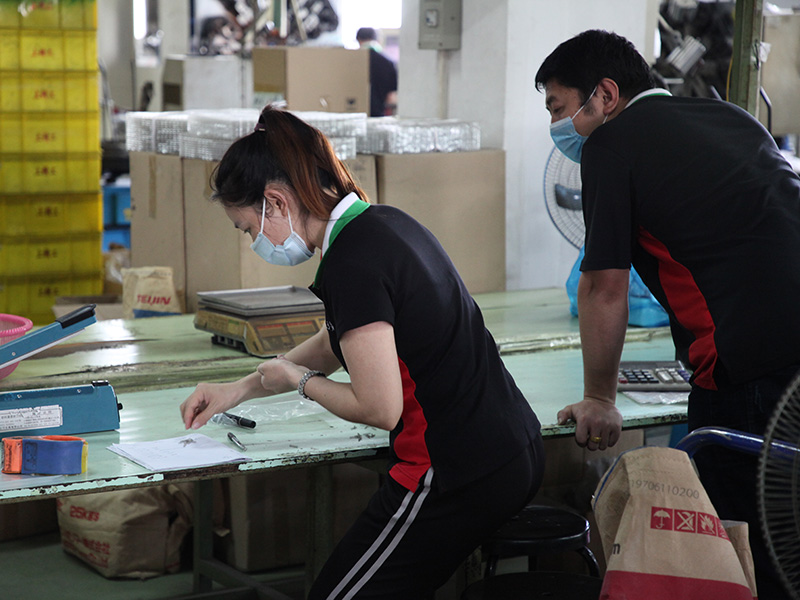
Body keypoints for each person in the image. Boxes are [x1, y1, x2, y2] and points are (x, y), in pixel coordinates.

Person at [180, 105, 544, 599]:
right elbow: (336, 342)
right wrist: (237, 390)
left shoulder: (351, 262)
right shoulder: (383, 224)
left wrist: (301, 383)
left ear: (276, 202)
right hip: (512, 446)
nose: (253, 242)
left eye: (248, 228)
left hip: (454, 469)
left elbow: (379, 408)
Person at [535, 29, 800, 600]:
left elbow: (604, 286)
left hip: (750, 373)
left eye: (559, 108)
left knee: (743, 560)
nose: (558, 126)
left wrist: (599, 398)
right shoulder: (731, 117)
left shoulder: (611, 147)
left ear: (606, 95)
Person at [356, 27, 398, 117]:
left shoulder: (349, 62)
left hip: (354, 114)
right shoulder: (387, 63)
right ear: (377, 40)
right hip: (378, 115)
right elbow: (391, 97)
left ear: (358, 40)